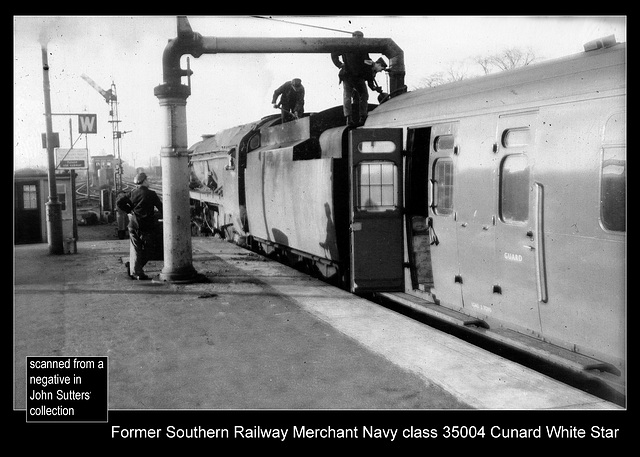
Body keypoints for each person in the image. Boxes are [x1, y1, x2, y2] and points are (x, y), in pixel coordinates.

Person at [331, 34, 387, 126]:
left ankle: (349, 118)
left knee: (347, 96)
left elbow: (334, 52)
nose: (380, 71)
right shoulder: (364, 51)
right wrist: (373, 86)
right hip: (355, 77)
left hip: (346, 75)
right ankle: (363, 117)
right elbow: (368, 72)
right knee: (363, 94)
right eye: (381, 69)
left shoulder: (346, 46)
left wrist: (340, 64)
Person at [116, 172, 163, 280]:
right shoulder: (152, 194)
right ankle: (137, 272)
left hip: (133, 225)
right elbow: (161, 208)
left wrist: (130, 210)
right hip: (145, 226)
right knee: (149, 249)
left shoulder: (132, 193)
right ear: (144, 181)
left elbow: (119, 202)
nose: (149, 181)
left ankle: (134, 268)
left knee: (137, 249)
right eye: (147, 180)